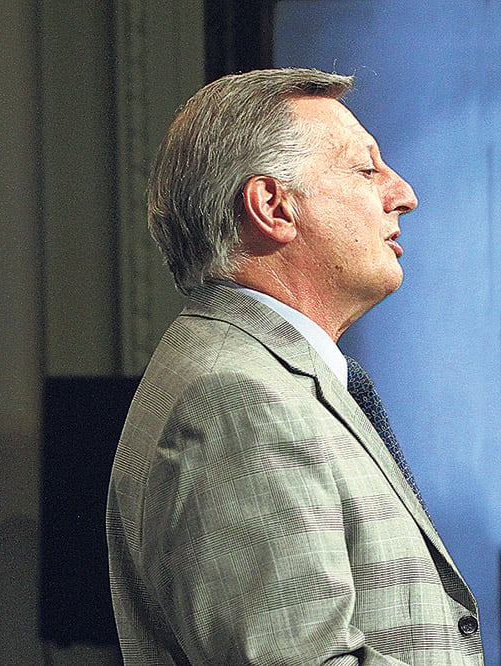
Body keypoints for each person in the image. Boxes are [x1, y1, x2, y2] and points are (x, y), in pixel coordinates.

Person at [106, 68, 484, 664]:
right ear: (273, 207)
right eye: (367, 170)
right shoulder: (236, 400)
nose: (404, 193)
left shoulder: (259, 376)